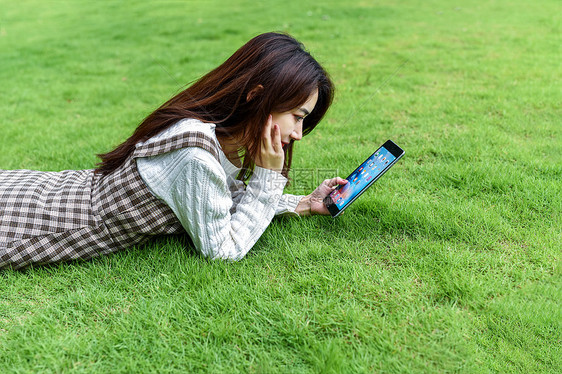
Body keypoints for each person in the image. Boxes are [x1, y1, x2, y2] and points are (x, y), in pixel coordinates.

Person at [0, 32, 347, 270]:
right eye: (297, 117)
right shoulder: (194, 157)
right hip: (42, 224)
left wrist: (301, 203)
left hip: (59, 190)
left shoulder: (213, 131)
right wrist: (268, 178)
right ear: (255, 95)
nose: (299, 134)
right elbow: (222, 250)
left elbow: (219, 198)